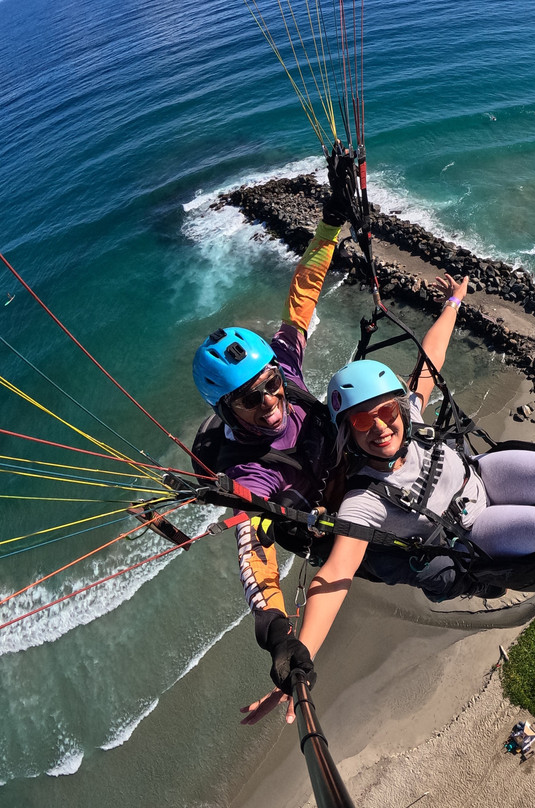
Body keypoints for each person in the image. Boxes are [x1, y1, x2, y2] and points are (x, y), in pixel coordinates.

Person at [241, 274, 535, 724]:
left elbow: (430, 358)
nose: (380, 427)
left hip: (480, 476)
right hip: (473, 530)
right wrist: (299, 657)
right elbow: (335, 575)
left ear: (398, 408)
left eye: (386, 411)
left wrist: (454, 303)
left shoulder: (412, 417)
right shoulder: (364, 500)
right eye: (362, 421)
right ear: (347, 432)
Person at [191, 149, 463, 702]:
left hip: (350, 459)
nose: (269, 400)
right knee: (439, 571)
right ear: (224, 410)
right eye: (248, 399)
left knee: (408, 404)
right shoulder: (249, 472)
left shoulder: (284, 370)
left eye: (270, 383)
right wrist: (276, 634)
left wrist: (331, 223)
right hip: (333, 517)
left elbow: (303, 294)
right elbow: (253, 553)